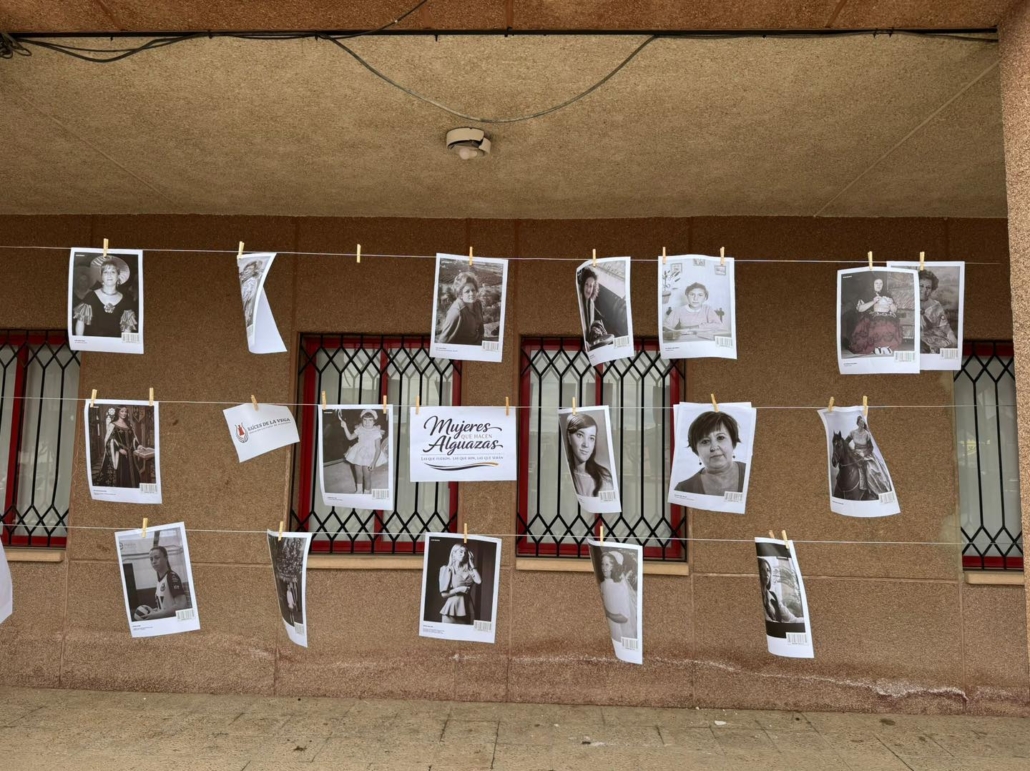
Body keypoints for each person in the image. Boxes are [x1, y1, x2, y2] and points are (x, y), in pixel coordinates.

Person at [674, 410, 747, 496]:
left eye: (720, 438)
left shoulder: (752, 472)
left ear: (733, 442)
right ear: (696, 450)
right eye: (705, 442)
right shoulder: (683, 489)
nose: (714, 447)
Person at [72, 258, 137, 339]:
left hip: (115, 344)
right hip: (93, 344)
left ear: (118, 275)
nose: (109, 275)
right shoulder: (90, 297)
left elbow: (127, 330)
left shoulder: (126, 301)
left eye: (113, 272)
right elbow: (80, 322)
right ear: (101, 276)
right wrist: (79, 342)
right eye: (105, 272)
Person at [848, 275, 903, 356]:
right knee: (878, 322)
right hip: (870, 316)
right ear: (872, 284)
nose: (879, 285)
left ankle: (886, 346)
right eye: (876, 283)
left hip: (886, 316)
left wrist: (891, 303)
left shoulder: (887, 294)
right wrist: (873, 301)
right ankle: (877, 346)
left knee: (891, 322)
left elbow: (894, 310)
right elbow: (860, 309)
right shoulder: (866, 294)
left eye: (881, 283)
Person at [132, 545, 189, 621]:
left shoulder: (171, 577)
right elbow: (166, 606)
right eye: (151, 559)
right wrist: (156, 610)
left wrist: (157, 615)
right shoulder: (160, 581)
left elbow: (181, 605)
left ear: (166, 558)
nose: (154, 561)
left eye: (157, 557)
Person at [564, 412, 614, 498]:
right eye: (580, 435)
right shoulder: (563, 474)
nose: (586, 444)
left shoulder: (604, 478)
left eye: (591, 438)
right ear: (569, 437)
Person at [337, 409, 386, 496]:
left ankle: (366, 493)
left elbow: (378, 449)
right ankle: (359, 491)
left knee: (367, 476)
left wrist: (373, 462)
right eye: (365, 420)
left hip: (369, 455)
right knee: (358, 474)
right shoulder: (360, 429)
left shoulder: (376, 432)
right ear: (362, 420)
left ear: (374, 421)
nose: (367, 422)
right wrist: (345, 427)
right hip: (359, 453)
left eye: (370, 420)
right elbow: (350, 438)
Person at [97, 406, 144, 489]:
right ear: (118, 412)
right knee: (122, 475)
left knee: (134, 475)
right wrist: (119, 449)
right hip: (120, 456)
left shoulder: (129, 425)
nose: (124, 413)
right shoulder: (112, 425)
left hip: (131, 455)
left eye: (126, 411)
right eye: (122, 411)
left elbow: (133, 438)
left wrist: (138, 446)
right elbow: (109, 441)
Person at [846, 415, 892, 496]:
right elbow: (846, 442)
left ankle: (870, 489)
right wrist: (852, 451)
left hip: (866, 453)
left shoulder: (867, 434)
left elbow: (871, 447)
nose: (862, 423)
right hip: (856, 453)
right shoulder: (853, 433)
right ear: (857, 423)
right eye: (860, 422)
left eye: (863, 422)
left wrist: (864, 454)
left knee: (870, 469)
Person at [438, 271, 485, 346]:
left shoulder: (477, 303)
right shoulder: (457, 312)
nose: (472, 293)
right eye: (467, 291)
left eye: (473, 290)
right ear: (460, 294)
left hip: (477, 342)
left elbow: (481, 326)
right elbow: (443, 341)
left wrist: (482, 337)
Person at [597, 550, 635, 642]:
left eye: (607, 565)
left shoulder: (620, 587)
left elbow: (624, 617)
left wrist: (607, 613)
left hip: (618, 629)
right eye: (602, 564)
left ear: (614, 567)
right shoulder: (602, 584)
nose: (603, 568)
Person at [438, 543, 481, 624]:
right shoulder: (447, 569)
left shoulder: (469, 570)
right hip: (451, 610)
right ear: (454, 554)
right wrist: (460, 589)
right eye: (460, 552)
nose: (463, 554)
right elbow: (443, 594)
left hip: (466, 609)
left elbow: (479, 581)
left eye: (465, 552)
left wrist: (472, 564)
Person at [918, 269, 957, 353]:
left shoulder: (936, 306)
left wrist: (954, 342)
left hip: (932, 344)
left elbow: (946, 328)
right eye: (921, 286)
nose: (924, 290)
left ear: (932, 289)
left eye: (928, 287)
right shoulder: (907, 302)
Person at [578, 267, 615, 350]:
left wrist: (596, 329)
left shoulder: (591, 303)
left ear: (593, 288)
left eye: (591, 286)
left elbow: (589, 326)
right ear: (583, 284)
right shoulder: (578, 301)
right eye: (586, 284)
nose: (588, 289)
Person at [759, 558, 800, 623]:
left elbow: (791, 618)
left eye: (768, 570)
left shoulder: (773, 596)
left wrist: (805, 620)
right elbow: (769, 622)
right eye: (762, 570)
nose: (766, 573)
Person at [239, 260, 262, 331]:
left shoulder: (250, 282)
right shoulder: (244, 279)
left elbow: (244, 298)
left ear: (253, 272)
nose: (247, 270)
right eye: (246, 268)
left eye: (250, 269)